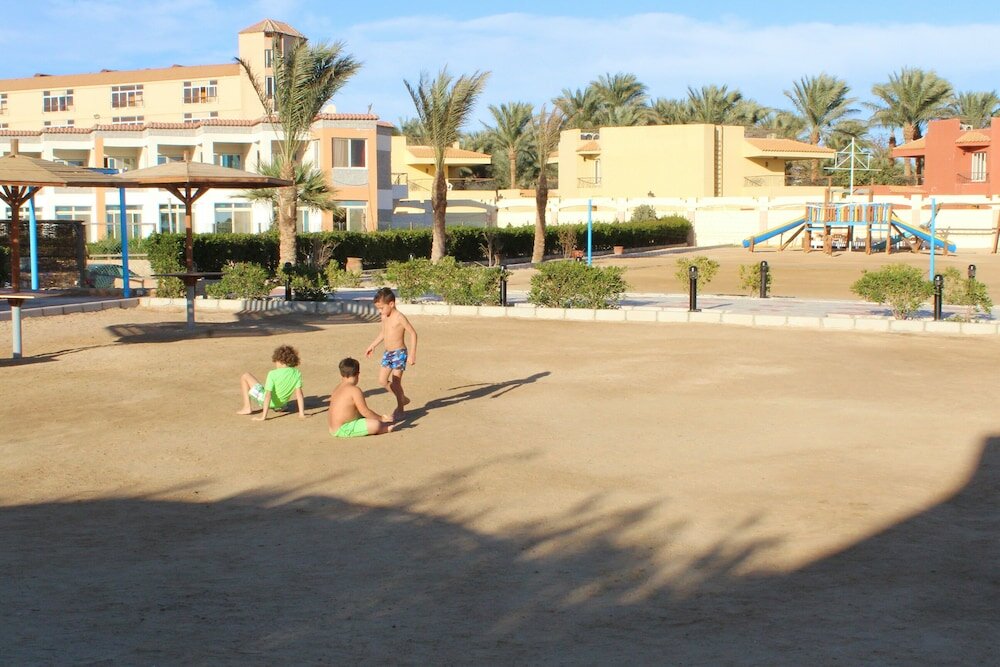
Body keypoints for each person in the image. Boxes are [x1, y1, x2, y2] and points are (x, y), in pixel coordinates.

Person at [365, 287, 418, 420]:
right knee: (382, 381)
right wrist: (373, 345)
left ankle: (400, 409)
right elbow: (383, 333)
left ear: (391, 304)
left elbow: (413, 333)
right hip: (388, 353)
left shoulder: (399, 317)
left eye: (381, 308)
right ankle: (402, 398)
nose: (380, 311)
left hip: (400, 353)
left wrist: (412, 354)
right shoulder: (384, 317)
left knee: (396, 382)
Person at [329, 357, 396, 437]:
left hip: (333, 427)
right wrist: (381, 418)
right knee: (375, 424)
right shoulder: (354, 390)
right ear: (357, 374)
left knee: (370, 419)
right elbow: (364, 411)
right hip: (343, 429)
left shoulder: (337, 388)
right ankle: (383, 429)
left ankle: (379, 425)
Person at [237, 344, 306, 421]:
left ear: (281, 361)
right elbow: (299, 394)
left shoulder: (272, 374)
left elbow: (267, 396)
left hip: (267, 402)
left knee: (245, 376)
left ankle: (247, 407)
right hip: (281, 404)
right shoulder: (297, 373)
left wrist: (263, 417)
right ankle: (279, 408)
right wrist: (301, 414)